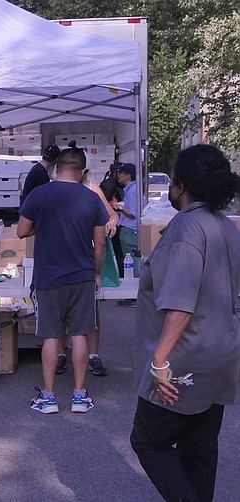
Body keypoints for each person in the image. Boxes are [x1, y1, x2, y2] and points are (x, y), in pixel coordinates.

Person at [130, 144, 240, 502]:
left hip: (184, 357)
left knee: (148, 440)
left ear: (179, 186)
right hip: (220, 351)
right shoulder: (227, 226)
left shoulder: (187, 229)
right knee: (199, 444)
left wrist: (159, 362)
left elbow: (180, 306)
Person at [17, 144, 107, 414]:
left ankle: (49, 396)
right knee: (80, 334)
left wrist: (42, 226)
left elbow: (21, 231)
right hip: (81, 275)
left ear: (56, 168)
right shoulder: (92, 198)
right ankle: (79, 396)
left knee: (51, 337)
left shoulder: (39, 194)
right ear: (83, 172)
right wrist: (97, 273)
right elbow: (100, 244)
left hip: (48, 276)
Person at [56, 171, 119, 378]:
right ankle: (60, 354)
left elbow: (112, 215)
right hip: (65, 255)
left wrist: (111, 222)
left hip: (87, 255)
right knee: (63, 310)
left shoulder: (93, 189)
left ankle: (93, 356)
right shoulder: (57, 189)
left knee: (90, 310)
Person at [100, 164, 125, 277]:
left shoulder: (106, 185)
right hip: (116, 224)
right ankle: (120, 274)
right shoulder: (113, 186)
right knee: (120, 254)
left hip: (109, 223)